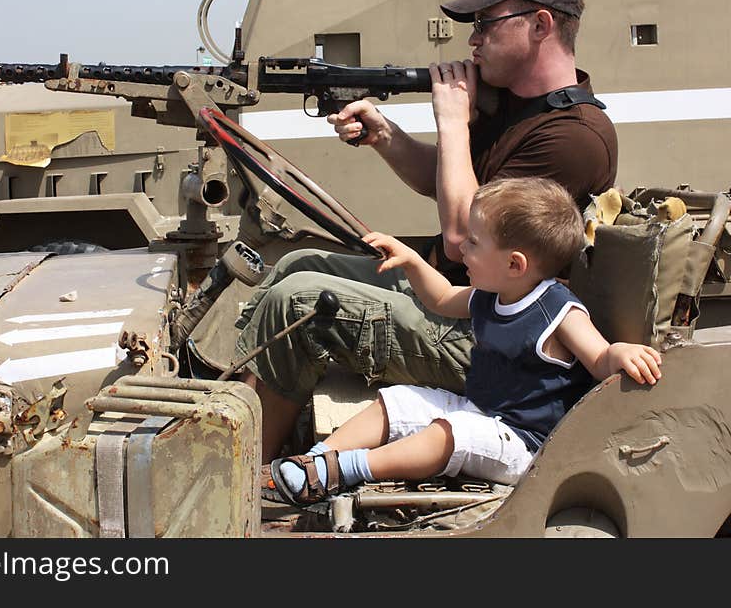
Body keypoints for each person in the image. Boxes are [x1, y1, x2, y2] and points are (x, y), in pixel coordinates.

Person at [235, 0, 619, 461]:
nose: (473, 40)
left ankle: (247, 479)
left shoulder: (573, 137)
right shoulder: (515, 107)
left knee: (301, 302)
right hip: (467, 297)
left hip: (496, 341)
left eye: (485, 24)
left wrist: (454, 120)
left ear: (540, 25)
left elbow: (462, 236)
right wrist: (384, 135)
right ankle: (234, 408)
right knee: (296, 264)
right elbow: (445, 181)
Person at [266, 178, 662, 505]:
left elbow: (599, 358)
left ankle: (347, 468)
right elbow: (439, 298)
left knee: (450, 434)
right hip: (482, 409)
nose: (461, 250)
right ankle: (315, 465)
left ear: (514, 264)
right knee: (399, 400)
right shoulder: (492, 294)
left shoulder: (556, 310)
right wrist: (414, 262)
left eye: (473, 242)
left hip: (526, 444)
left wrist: (620, 352)